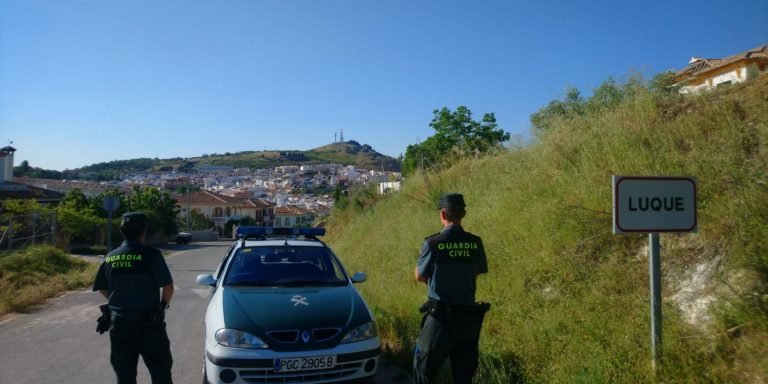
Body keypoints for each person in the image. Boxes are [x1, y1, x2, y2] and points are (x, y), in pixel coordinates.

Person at [413, 192, 489, 384]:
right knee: (464, 376)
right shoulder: (475, 242)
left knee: (422, 369)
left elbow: (419, 276)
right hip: (469, 319)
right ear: (463, 214)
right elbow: (478, 270)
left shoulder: (432, 243)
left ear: (443, 215)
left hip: (440, 320)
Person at [93, 212, 175, 384]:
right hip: (149, 323)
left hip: (119, 323)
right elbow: (168, 287)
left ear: (122, 231)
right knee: (160, 371)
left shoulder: (110, 257)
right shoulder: (151, 255)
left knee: (124, 374)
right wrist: (162, 306)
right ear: (144, 231)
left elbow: (101, 287)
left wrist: (118, 298)